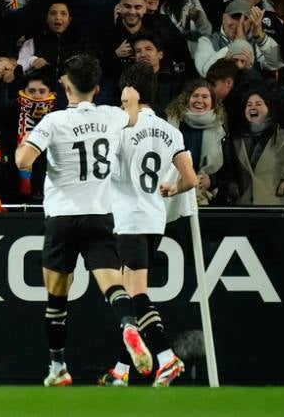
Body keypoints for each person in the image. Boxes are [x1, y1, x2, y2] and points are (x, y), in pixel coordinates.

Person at [14, 54, 152, 386]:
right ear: (97, 87)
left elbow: (23, 158)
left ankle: (58, 368)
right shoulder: (112, 116)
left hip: (62, 217)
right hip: (100, 215)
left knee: (57, 298)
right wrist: (132, 100)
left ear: (65, 86)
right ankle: (129, 325)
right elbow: (134, 117)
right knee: (113, 285)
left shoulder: (54, 121)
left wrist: (26, 168)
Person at [102, 63, 198, 387]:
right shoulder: (171, 130)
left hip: (129, 218)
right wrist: (173, 188)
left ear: (131, 91)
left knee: (137, 296)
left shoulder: (122, 127)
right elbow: (191, 179)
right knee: (132, 296)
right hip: (155, 218)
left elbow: (103, 168)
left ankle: (167, 359)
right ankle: (120, 371)